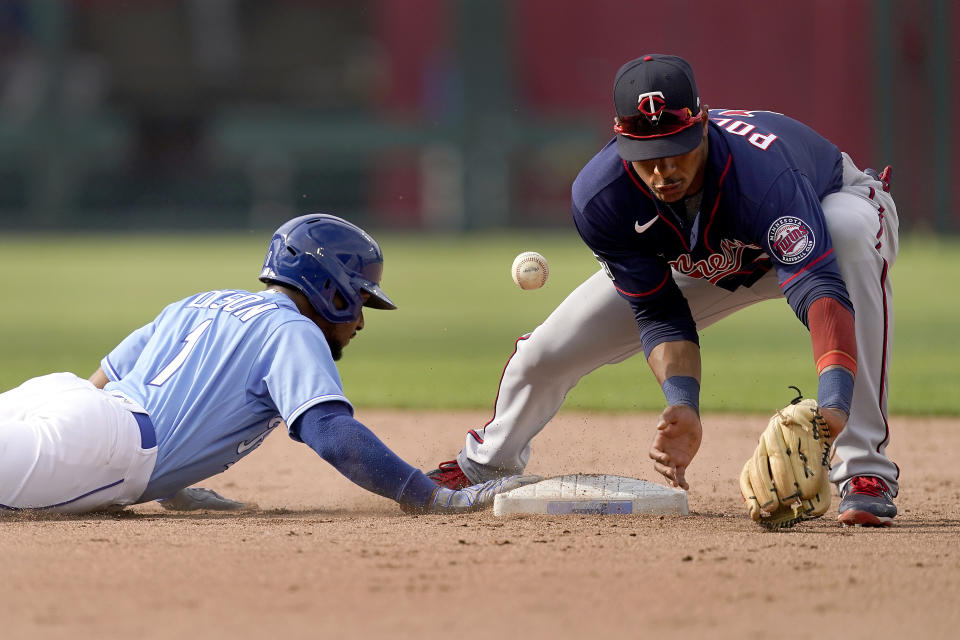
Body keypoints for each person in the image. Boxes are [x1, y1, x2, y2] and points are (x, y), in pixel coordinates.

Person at [427, 54, 900, 527]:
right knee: (547, 352)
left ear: (704, 124)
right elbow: (658, 313)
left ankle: (864, 470)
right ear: (619, 140)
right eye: (647, 155)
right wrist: (682, 404)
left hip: (820, 220)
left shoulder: (760, 173)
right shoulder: (601, 197)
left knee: (850, 232)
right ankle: (485, 465)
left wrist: (832, 404)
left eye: (678, 148)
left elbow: (818, 285)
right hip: (703, 257)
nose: (664, 170)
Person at [0, 214, 536, 515]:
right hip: (104, 446)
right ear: (331, 291)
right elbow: (330, 432)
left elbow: (106, 384)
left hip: (59, 399)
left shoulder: (203, 301)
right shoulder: (291, 330)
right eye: (360, 302)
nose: (361, 323)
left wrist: (173, 486)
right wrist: (429, 496)